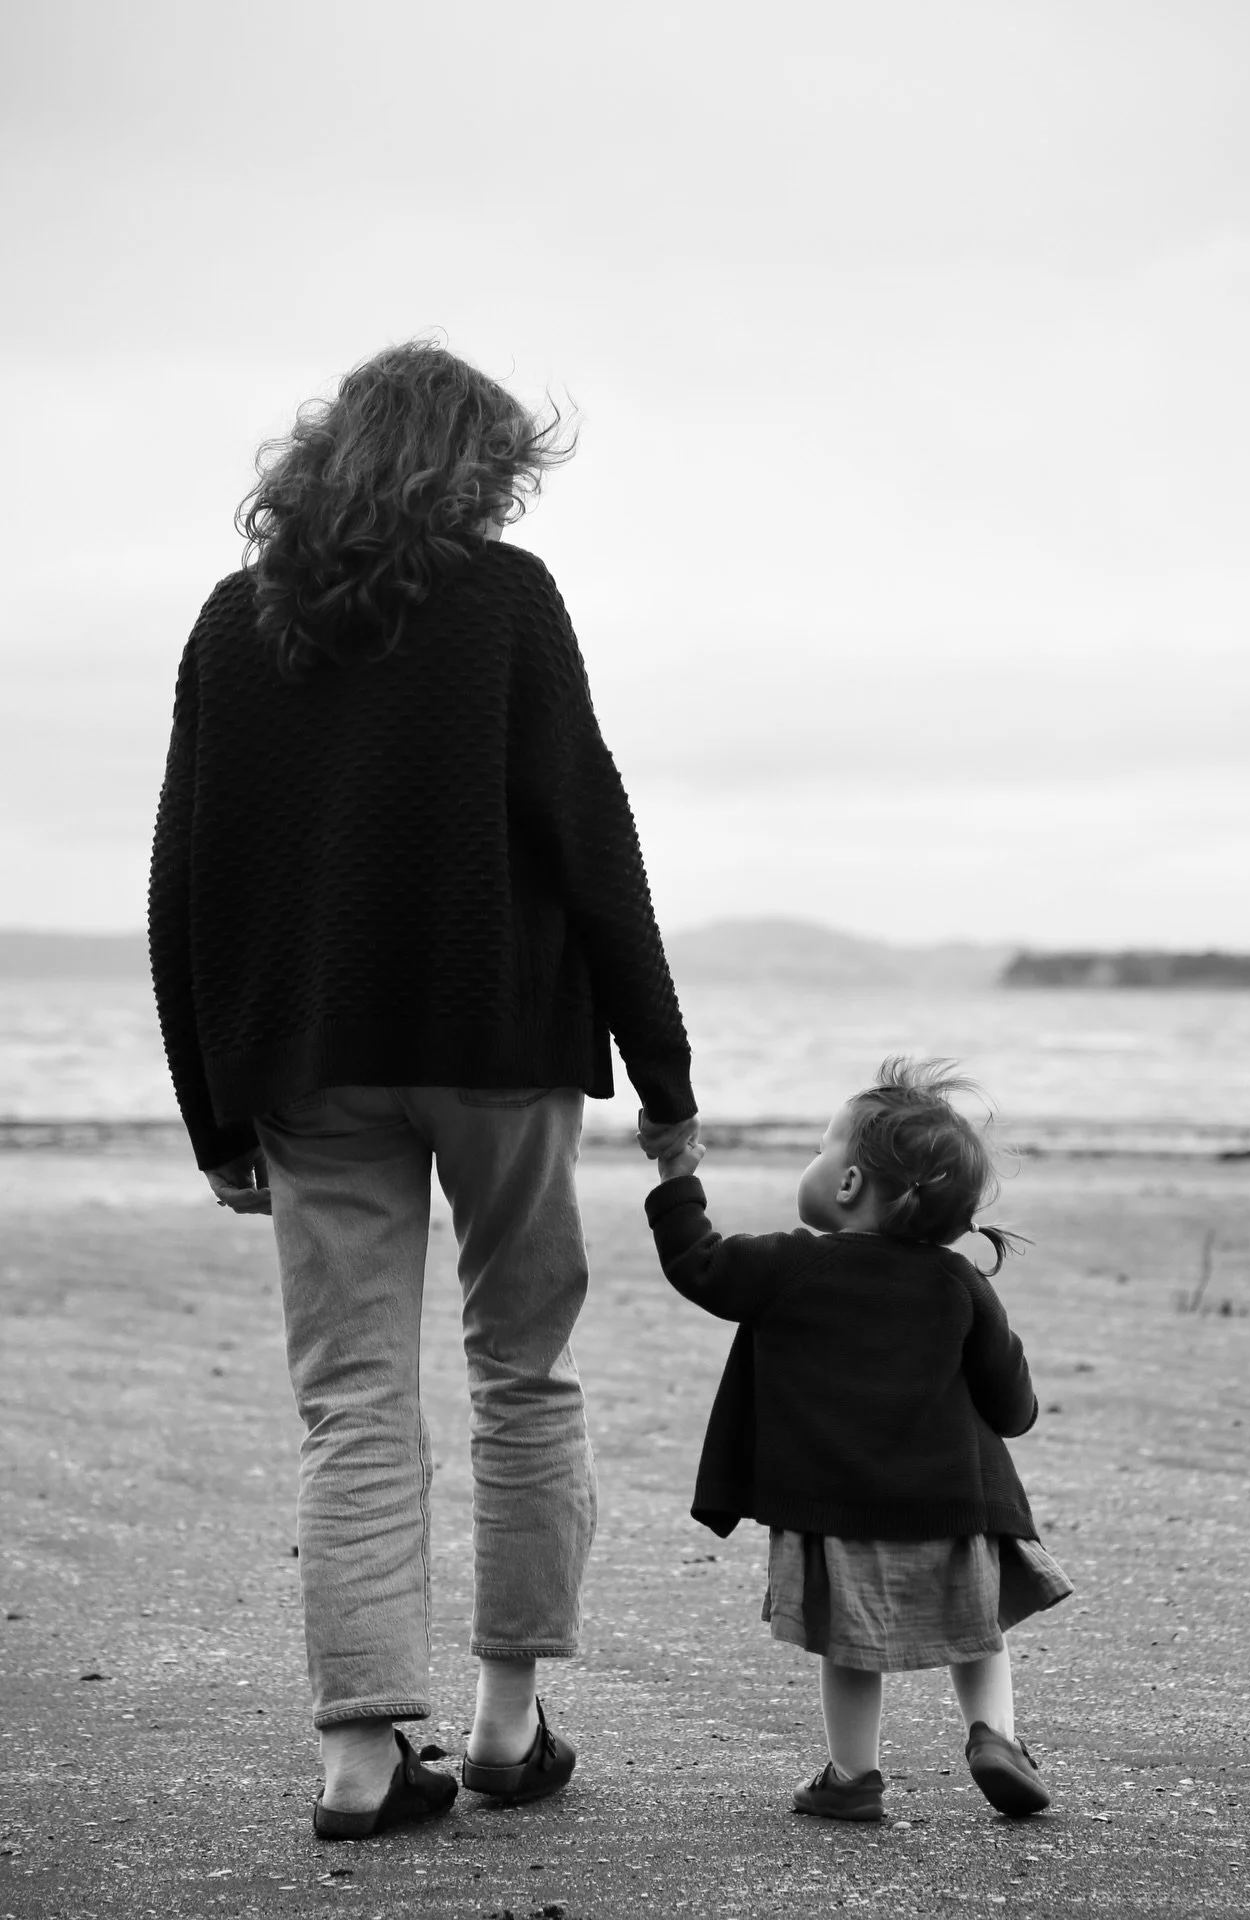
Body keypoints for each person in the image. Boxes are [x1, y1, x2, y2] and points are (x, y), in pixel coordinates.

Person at [148, 342, 698, 1839]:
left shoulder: (231, 620)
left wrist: (214, 1106)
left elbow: (183, 874)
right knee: (524, 1370)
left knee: (350, 1401)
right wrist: (665, 1073)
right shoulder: (506, 599)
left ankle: (359, 1757)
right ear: (472, 466)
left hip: (310, 1061)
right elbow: (589, 825)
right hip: (501, 1041)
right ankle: (507, 1727)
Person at [644, 1057, 1070, 1823]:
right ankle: (994, 1735)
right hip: (956, 1502)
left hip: (838, 1507)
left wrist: (678, 1175)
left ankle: (853, 1776)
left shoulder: (789, 1265)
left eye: (820, 1147)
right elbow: (1011, 1405)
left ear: (845, 1187)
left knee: (850, 1648)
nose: (813, 1161)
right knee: (979, 1630)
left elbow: (697, 1265)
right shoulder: (959, 1283)